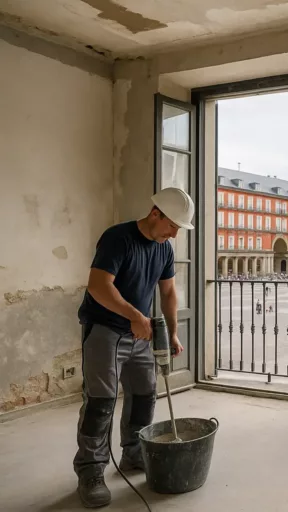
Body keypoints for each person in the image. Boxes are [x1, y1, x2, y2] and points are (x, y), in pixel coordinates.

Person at [73, 187, 194, 508]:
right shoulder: (118, 238)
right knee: (100, 402)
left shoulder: (163, 249)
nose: (174, 234)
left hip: (140, 334)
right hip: (105, 330)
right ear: (156, 214)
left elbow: (168, 293)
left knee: (144, 394)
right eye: (172, 226)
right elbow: (99, 286)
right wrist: (136, 316)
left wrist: (172, 332)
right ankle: (91, 470)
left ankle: (133, 453)